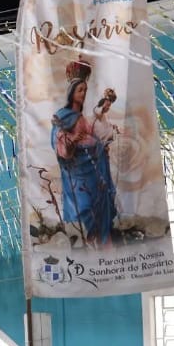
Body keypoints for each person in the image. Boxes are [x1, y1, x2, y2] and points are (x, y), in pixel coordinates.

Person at [51, 67, 116, 246]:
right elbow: (57, 138)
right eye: (80, 90)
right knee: (83, 206)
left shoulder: (82, 117)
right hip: (77, 169)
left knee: (99, 201)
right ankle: (86, 239)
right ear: (71, 93)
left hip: (93, 166)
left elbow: (92, 135)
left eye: (85, 90)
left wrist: (102, 146)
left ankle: (102, 239)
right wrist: (72, 140)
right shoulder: (62, 116)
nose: (83, 93)